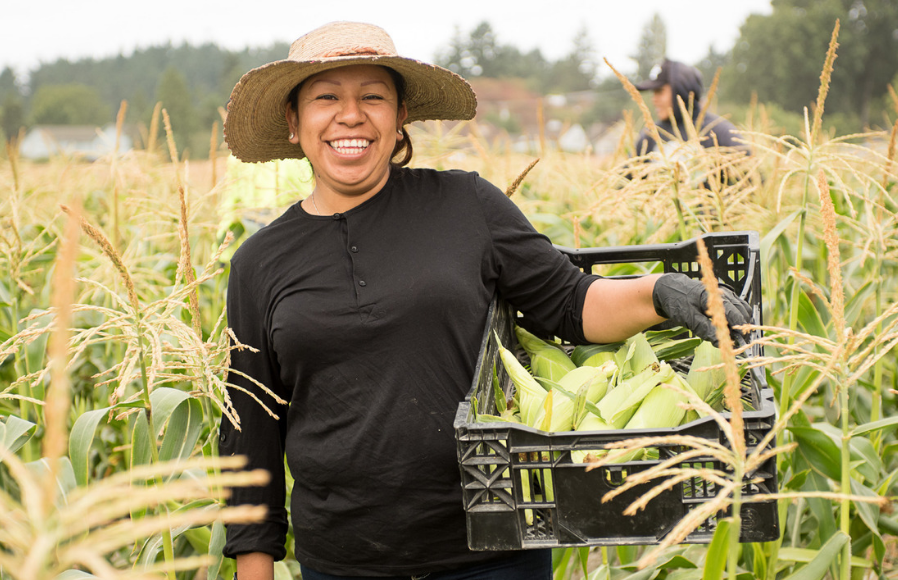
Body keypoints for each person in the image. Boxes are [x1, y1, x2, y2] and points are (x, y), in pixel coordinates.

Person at [219, 21, 752, 580]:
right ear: (293, 121)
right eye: (326, 97)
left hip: (494, 549)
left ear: (400, 115)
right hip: (343, 562)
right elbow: (250, 434)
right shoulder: (260, 263)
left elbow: (570, 303)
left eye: (372, 96)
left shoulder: (465, 206)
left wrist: (659, 292)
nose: (350, 115)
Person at [632, 59, 745, 158]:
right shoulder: (651, 135)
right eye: (653, 93)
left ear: (681, 91)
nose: (654, 99)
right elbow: (625, 179)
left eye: (659, 92)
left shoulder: (719, 132)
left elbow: (752, 175)